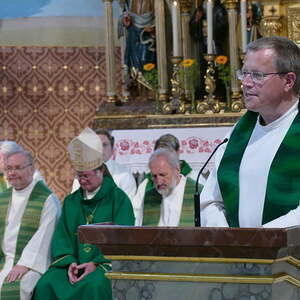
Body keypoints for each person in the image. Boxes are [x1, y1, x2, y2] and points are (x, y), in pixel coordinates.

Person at [200, 36, 300, 228]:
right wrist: (226, 237)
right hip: (238, 253)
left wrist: (261, 239)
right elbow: (211, 199)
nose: (245, 83)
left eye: (257, 75)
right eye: (244, 73)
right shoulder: (238, 134)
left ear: (288, 81)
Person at [33, 128, 135, 300]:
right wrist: (71, 262)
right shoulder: (72, 202)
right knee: (46, 284)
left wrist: (95, 263)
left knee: (94, 286)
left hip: (104, 263)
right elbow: (62, 237)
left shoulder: (118, 199)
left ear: (100, 171)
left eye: (86, 176)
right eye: (79, 176)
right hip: (73, 263)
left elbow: (124, 237)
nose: (82, 181)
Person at [0, 150, 61, 299]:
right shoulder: (3, 198)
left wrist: (25, 263)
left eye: (18, 168)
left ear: (31, 169)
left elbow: (45, 236)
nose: (12, 173)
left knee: (19, 286)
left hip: (32, 263)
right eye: (8, 168)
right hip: (4, 260)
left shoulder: (46, 199)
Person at [133, 148, 203, 226]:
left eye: (163, 175)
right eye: (154, 176)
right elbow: (138, 229)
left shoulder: (199, 193)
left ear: (177, 170)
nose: (159, 182)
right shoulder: (148, 197)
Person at [72, 129, 137, 201]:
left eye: (104, 145)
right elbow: (75, 201)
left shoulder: (125, 175)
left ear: (112, 149)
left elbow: (129, 206)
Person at [118, 0, 156, 89]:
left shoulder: (153, 2)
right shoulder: (130, 2)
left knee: (145, 59)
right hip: (133, 36)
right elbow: (125, 14)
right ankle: (138, 89)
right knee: (134, 65)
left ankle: (150, 88)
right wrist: (125, 21)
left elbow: (159, 17)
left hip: (147, 38)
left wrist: (153, 27)